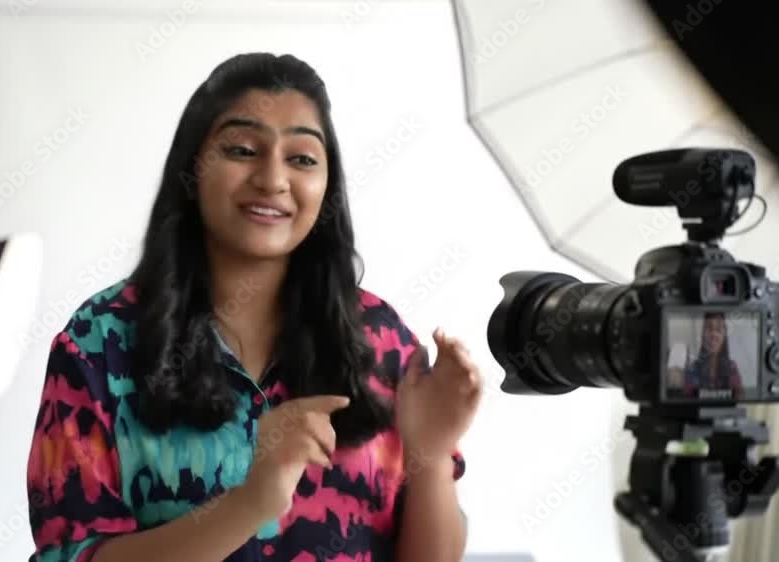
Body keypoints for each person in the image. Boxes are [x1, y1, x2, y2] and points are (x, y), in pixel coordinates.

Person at [25, 52, 483, 562]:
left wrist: (433, 452)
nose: (272, 179)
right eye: (243, 149)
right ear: (193, 167)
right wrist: (250, 503)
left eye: (302, 158)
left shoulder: (381, 342)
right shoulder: (100, 341)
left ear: (327, 184)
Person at [667, 313, 743, 398]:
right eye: (709, 328)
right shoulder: (692, 369)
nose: (713, 334)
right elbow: (685, 398)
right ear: (702, 334)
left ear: (724, 335)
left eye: (718, 329)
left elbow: (738, 397)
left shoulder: (732, 368)